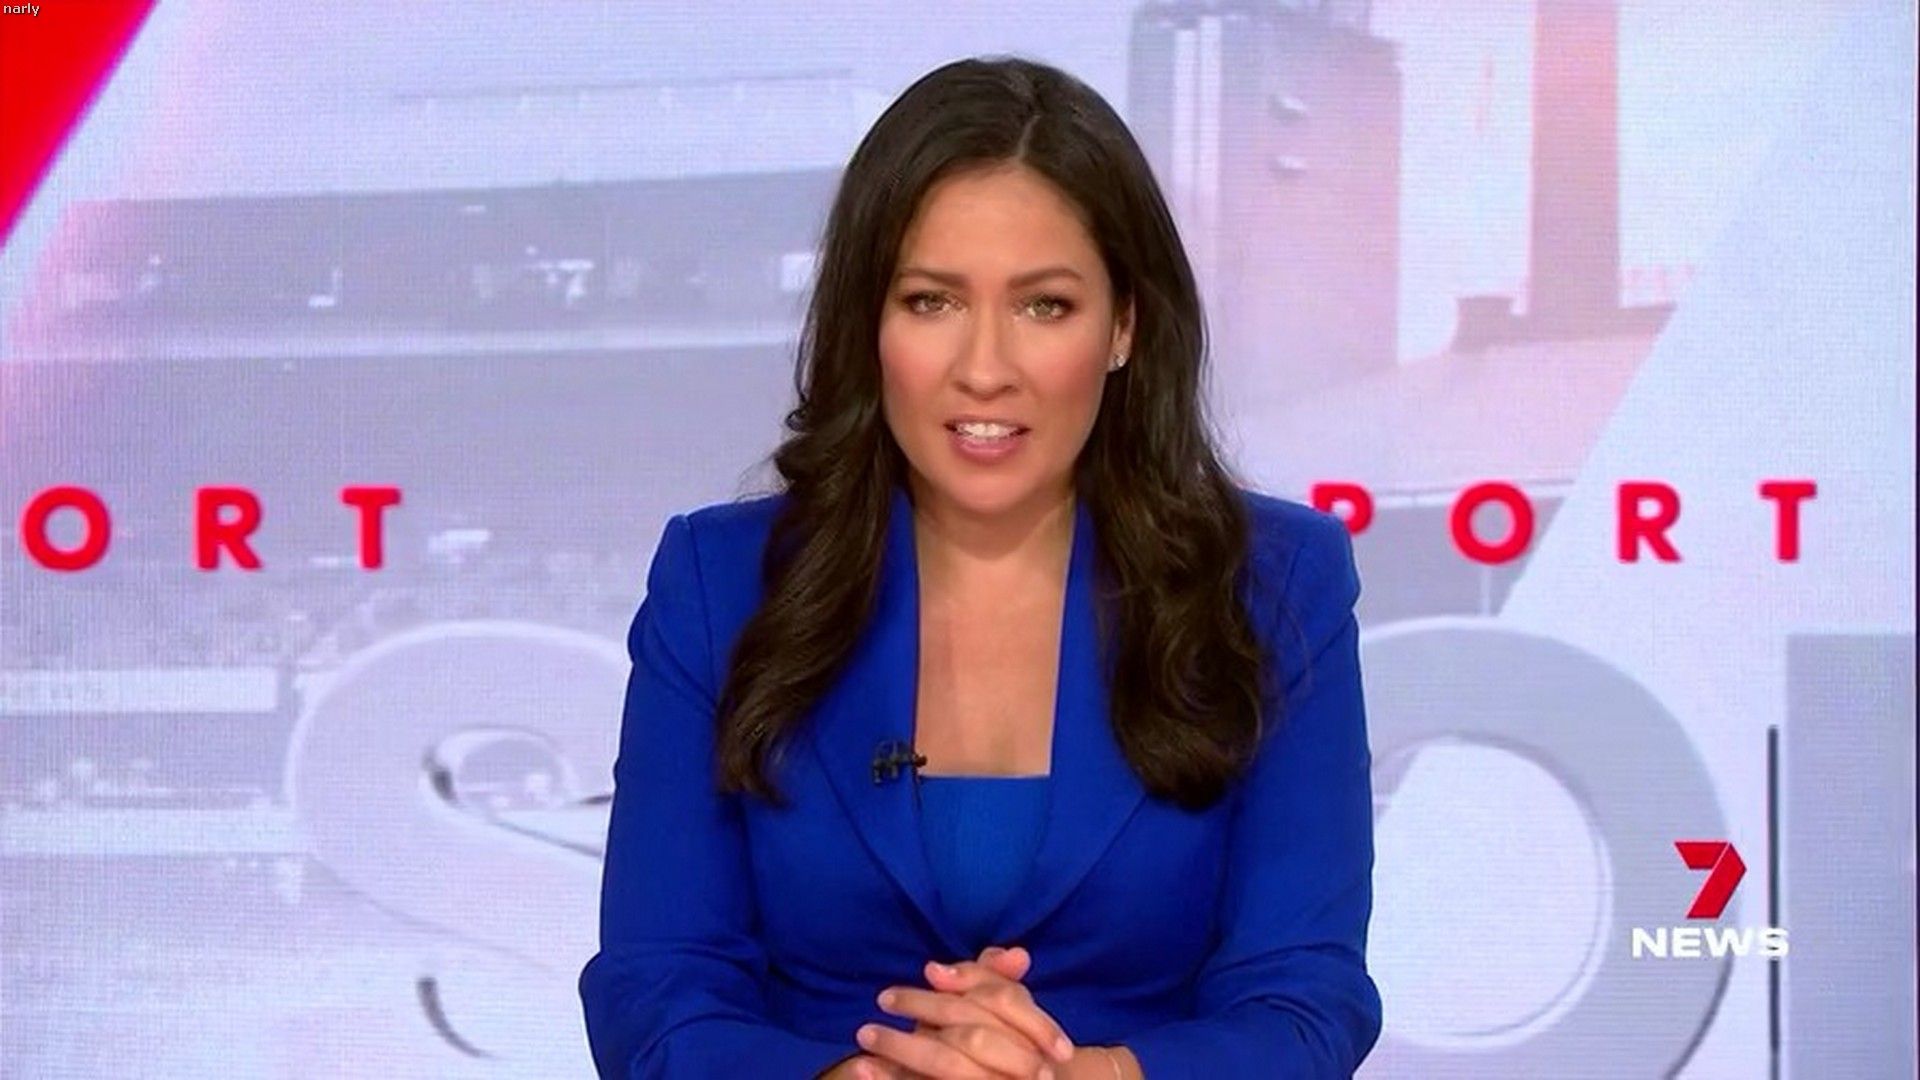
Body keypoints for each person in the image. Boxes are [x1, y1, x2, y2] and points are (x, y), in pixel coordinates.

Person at [579, 55, 1382, 1079]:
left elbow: (1304, 1001)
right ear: (870, 321)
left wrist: (1087, 1077)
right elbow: (655, 991)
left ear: (1124, 325)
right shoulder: (720, 585)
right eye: (932, 302)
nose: (985, 368)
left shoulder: (1274, 585)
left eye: (1044, 306)